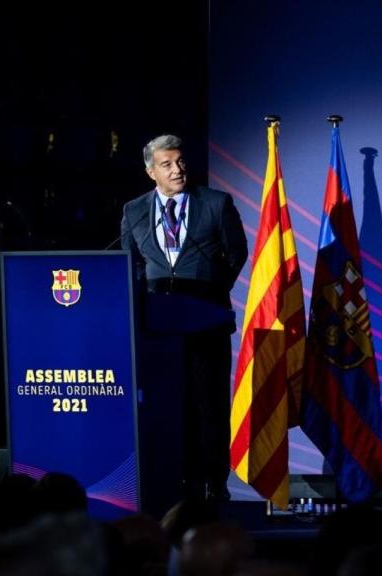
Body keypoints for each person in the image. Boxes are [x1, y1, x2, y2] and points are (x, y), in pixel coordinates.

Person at [121, 134, 247, 502]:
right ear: (150, 172)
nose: (177, 170)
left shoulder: (215, 203)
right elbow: (131, 263)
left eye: (180, 162)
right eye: (166, 164)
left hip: (205, 317)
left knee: (207, 403)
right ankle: (169, 482)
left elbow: (236, 252)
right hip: (158, 324)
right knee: (166, 403)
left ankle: (212, 484)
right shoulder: (134, 210)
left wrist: (210, 291)